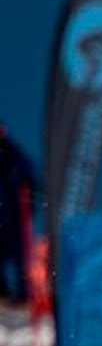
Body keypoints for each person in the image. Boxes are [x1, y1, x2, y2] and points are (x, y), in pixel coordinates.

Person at [0, 122, 39, 308]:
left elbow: (29, 177)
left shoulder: (12, 154)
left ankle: (22, 294)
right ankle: (3, 292)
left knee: (18, 258)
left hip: (11, 216)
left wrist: (28, 199)